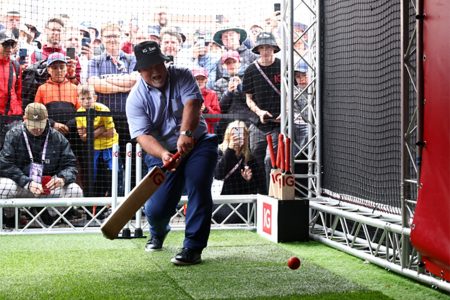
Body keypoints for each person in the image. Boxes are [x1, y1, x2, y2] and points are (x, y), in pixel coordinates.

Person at [126, 41, 218, 265]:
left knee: (198, 183)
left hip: (198, 143)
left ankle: (192, 247)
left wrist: (186, 132)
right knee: (156, 210)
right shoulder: (135, 99)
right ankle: (158, 231)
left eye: (159, 64)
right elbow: (143, 137)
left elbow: (193, 103)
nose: (156, 71)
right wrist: (164, 154)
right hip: (162, 153)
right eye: (149, 67)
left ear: (165, 63)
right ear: (140, 71)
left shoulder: (183, 75)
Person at [0, 103, 83, 225]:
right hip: (22, 186)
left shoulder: (58, 138)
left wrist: (62, 178)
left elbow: (71, 165)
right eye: (33, 125)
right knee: (4, 187)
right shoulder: (13, 134)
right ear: (25, 119)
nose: (37, 129)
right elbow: (4, 164)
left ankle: (50, 215)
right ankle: (11, 218)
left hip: (48, 188)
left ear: (47, 119)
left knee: (75, 191)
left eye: (40, 124)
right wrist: (27, 182)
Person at [242, 32, 281, 194]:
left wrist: (286, 113)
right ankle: (260, 194)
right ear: (258, 49)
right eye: (262, 47)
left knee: (270, 160)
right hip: (258, 123)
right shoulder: (251, 70)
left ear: (274, 48)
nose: (265, 50)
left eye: (268, 47)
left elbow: (293, 93)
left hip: (279, 123)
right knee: (255, 158)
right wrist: (259, 112)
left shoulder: (282, 65)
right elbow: (248, 99)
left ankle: (271, 195)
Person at [75, 84, 118, 197]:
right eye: (83, 98)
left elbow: (111, 133)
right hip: (93, 147)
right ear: (78, 100)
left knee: (113, 171)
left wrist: (90, 133)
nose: (86, 101)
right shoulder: (79, 114)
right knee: (92, 173)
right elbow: (83, 138)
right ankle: (93, 199)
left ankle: (114, 195)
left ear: (95, 98)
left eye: (89, 98)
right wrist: (101, 129)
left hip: (110, 145)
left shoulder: (104, 110)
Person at [213, 120, 259, 224]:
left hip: (241, 203)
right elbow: (218, 174)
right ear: (228, 135)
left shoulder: (249, 158)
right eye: (235, 133)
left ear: (246, 137)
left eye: (242, 134)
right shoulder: (218, 152)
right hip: (220, 201)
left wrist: (248, 180)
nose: (238, 137)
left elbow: (256, 188)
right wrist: (230, 150)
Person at [34, 52, 80, 137]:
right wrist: (53, 124)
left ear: (66, 69)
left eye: (62, 67)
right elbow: (37, 113)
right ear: (48, 70)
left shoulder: (74, 88)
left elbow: (81, 112)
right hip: (50, 133)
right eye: (54, 68)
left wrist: (71, 124)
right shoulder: (42, 88)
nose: (58, 70)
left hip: (72, 133)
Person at [0, 29, 22, 116]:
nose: (9, 48)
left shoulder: (15, 65)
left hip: (12, 115)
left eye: (11, 44)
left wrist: (18, 109)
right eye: (5, 44)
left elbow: (19, 92)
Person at [192, 67, 221, 134]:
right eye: (197, 79)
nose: (199, 81)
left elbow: (217, 117)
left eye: (202, 78)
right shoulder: (187, 94)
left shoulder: (212, 94)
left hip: (207, 133)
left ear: (206, 80)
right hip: (191, 133)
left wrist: (206, 110)